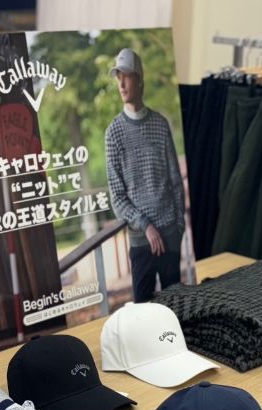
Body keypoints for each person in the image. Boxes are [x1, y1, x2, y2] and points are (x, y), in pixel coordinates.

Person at [104, 47, 186, 303]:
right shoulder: (113, 133)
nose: (121, 84)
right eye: (118, 77)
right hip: (141, 240)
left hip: (170, 235)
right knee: (142, 311)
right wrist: (146, 226)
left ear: (139, 80)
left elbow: (175, 181)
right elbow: (117, 197)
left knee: (176, 308)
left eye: (126, 76)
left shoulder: (160, 124)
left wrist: (179, 227)